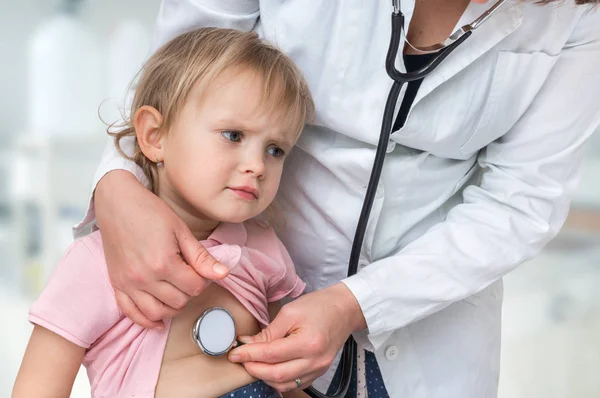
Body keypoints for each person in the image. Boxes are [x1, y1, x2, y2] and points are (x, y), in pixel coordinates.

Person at [85, 0, 600, 397]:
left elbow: (522, 201)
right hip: (259, 309)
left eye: (274, 149)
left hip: (428, 334)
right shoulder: (105, 273)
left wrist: (357, 304)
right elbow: (174, 81)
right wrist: (118, 185)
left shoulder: (573, 17)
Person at [12, 27, 315, 398]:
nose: (257, 165)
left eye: (275, 150)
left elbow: (286, 373)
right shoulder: (94, 263)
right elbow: (37, 390)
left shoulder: (264, 249)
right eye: (233, 135)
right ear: (155, 136)